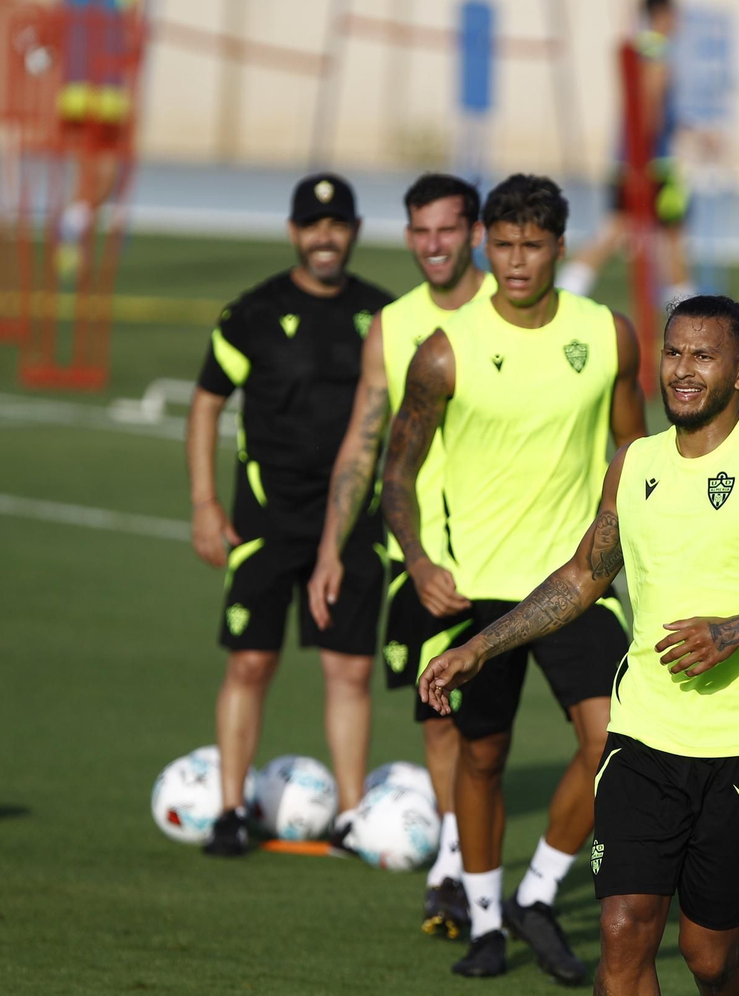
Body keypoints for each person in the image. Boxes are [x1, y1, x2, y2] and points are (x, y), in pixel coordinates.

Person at [420, 294, 739, 996]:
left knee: (706, 957)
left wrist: (738, 630)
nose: (682, 371)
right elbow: (582, 577)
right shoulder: (633, 464)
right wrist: (481, 647)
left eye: (703, 356)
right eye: (673, 352)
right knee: (623, 934)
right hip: (644, 736)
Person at [381, 174, 646, 983]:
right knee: (483, 759)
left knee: (616, 751)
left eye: (533, 245)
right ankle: (488, 922)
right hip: (475, 591)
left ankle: (539, 894)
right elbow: (396, 474)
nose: (517, 260)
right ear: (483, 244)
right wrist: (420, 563)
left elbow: (637, 459)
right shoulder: (445, 349)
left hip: (575, 584)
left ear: (562, 246)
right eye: (503, 244)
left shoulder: (608, 336)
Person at [305, 173, 493, 930]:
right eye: (419, 231)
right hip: (430, 558)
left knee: (592, 723)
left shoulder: (513, 313)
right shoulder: (393, 323)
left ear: (475, 232)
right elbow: (362, 437)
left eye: (446, 229)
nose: (432, 245)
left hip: (529, 554)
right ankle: (455, 866)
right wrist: (329, 547)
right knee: (443, 717)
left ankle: (565, 876)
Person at [186, 174, 392, 857]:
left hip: (356, 519)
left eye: (336, 225)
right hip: (265, 519)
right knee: (249, 662)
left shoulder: (383, 315)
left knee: (350, 670)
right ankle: (230, 810)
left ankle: (353, 815)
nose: (324, 237)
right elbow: (207, 403)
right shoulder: (251, 313)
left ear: (355, 231)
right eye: (312, 225)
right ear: (294, 232)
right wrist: (204, 503)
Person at [557, 0, 691, 308]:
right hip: (650, 161)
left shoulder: (638, 48)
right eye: (675, 14)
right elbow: (649, 106)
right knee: (647, 230)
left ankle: (683, 300)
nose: (679, 21)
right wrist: (643, 155)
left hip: (632, 157)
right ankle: (684, 302)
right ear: (662, 14)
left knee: (651, 228)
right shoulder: (658, 52)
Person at [52, 0, 142, 290]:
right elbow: (135, 41)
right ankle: (72, 228)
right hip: (106, 98)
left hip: (73, 96)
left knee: (89, 175)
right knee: (104, 177)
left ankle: (73, 237)